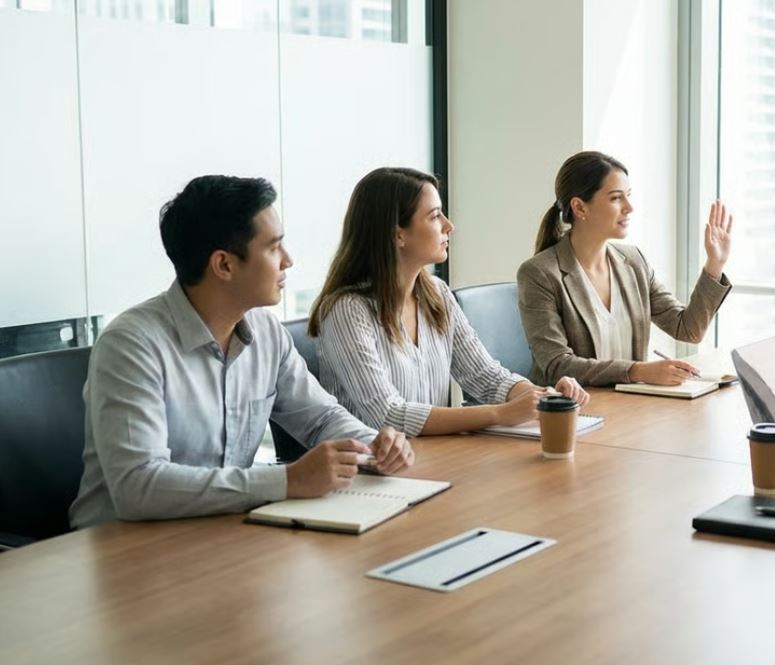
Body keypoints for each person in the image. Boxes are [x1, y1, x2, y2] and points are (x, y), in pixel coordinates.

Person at [70, 176, 413, 529]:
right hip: (124, 544)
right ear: (224, 265)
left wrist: (375, 445)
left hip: (219, 530)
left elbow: (321, 419)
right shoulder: (131, 345)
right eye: (274, 248)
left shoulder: (266, 332)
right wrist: (287, 481)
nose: (288, 260)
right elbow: (138, 486)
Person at [310, 167, 588, 438]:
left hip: (430, 455)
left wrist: (540, 396)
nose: (449, 225)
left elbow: (484, 375)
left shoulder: (437, 294)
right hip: (370, 464)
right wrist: (501, 413)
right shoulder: (346, 310)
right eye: (434, 216)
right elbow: (388, 415)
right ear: (398, 234)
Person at [517, 151, 733, 386]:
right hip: (573, 405)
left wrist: (714, 263)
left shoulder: (634, 262)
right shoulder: (539, 273)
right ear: (579, 208)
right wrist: (638, 371)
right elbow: (557, 365)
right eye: (616, 198)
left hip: (628, 402)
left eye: (628, 196)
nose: (629, 207)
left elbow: (688, 329)